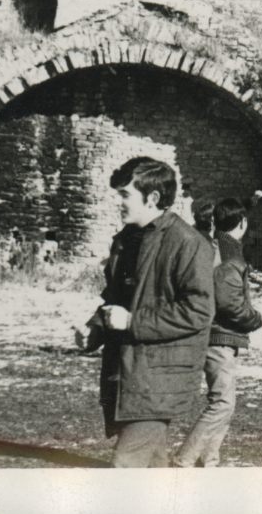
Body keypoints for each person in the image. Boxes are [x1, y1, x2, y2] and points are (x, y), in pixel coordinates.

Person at [86, 156, 214, 467]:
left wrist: (131, 321)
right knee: (153, 468)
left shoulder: (188, 243)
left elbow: (199, 310)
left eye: (125, 194)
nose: (118, 202)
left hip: (158, 377)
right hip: (129, 371)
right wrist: (93, 327)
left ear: (153, 197)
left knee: (126, 467)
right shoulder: (126, 240)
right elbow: (115, 297)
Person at [174, 197, 262, 468]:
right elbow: (228, 301)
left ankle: (209, 459)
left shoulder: (217, 247)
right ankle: (184, 460)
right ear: (243, 223)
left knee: (224, 402)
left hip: (217, 334)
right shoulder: (228, 253)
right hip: (219, 336)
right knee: (222, 402)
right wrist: (255, 318)